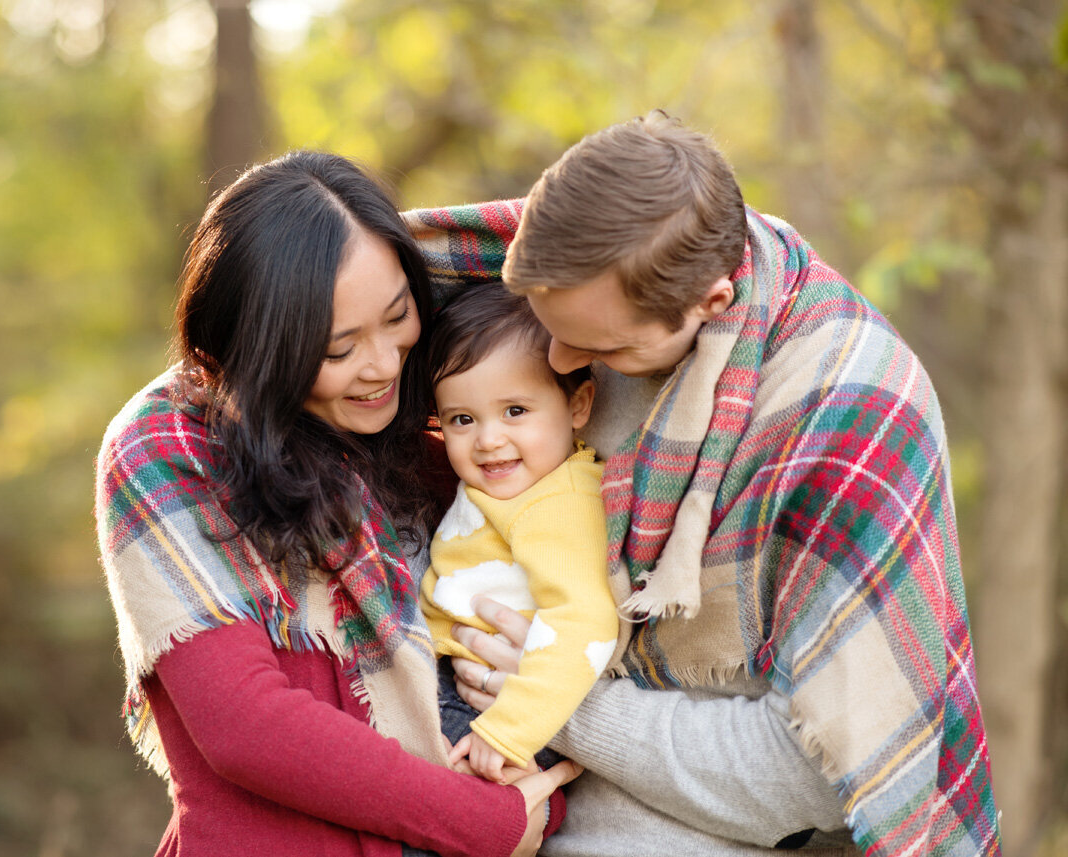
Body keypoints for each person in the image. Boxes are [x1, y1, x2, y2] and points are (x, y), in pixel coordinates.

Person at [403, 111, 999, 856]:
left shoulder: (849, 417)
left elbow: (823, 776)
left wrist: (560, 700)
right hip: (477, 784)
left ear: (711, 303)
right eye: (548, 325)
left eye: (601, 348)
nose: (557, 361)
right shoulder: (586, 257)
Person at [94, 151, 580, 857]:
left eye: (397, 317)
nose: (383, 363)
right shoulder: (167, 446)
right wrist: (485, 821)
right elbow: (246, 725)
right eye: (339, 347)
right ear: (262, 350)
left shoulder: (445, 426)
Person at [419, 283, 619, 783]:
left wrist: (508, 731)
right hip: (451, 676)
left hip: (501, 708)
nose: (488, 440)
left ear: (578, 406)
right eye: (462, 419)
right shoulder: (517, 484)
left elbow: (584, 623)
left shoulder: (561, 502)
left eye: (515, 411)